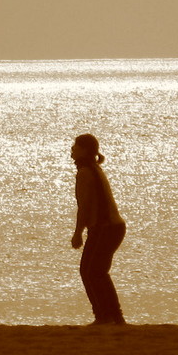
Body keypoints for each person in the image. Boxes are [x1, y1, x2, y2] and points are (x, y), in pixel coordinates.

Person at [70, 133, 127, 325]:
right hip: (109, 228)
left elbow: (84, 206)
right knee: (94, 271)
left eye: (75, 146)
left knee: (91, 272)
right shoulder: (93, 168)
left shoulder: (86, 171)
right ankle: (111, 317)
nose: (72, 150)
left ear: (85, 150)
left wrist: (78, 233)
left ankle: (107, 317)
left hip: (107, 228)